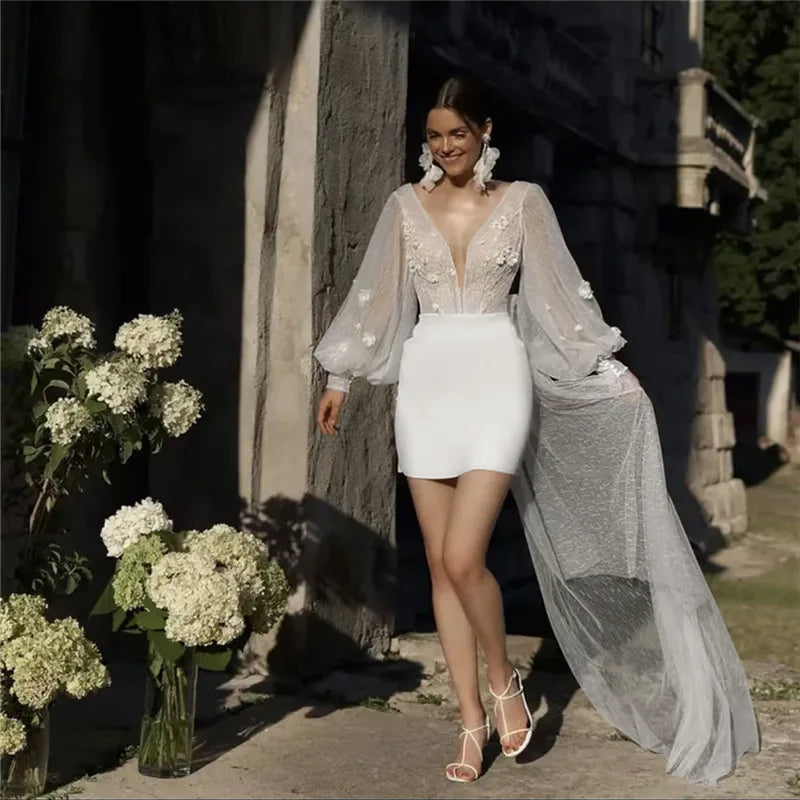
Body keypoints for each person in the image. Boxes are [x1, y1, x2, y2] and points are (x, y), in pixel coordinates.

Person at [313, 76, 759, 785]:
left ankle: (502, 679)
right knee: (436, 563)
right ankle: (468, 724)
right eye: (433, 135)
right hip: (428, 380)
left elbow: (559, 295)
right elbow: (375, 298)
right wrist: (340, 380)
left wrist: (609, 369)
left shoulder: (523, 202)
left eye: (457, 133)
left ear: (484, 131)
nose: (445, 146)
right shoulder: (404, 206)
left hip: (496, 377)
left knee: (464, 557)